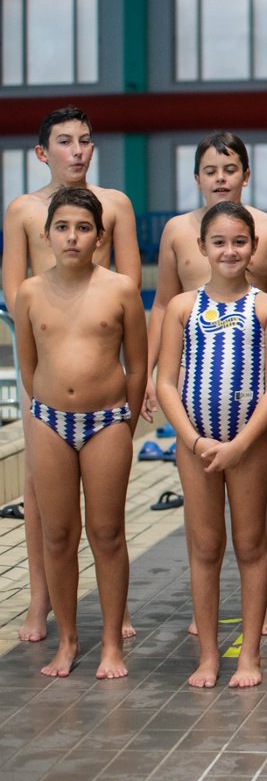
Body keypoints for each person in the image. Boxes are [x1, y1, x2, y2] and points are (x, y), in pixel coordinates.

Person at [144, 130, 267, 638]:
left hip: (254, 395)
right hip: (195, 400)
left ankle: (260, 610)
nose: (221, 178)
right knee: (204, 537)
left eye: (229, 170)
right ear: (197, 178)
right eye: (210, 170)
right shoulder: (176, 234)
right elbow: (163, 304)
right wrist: (149, 376)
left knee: (253, 522)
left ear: (245, 175)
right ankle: (206, 626)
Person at [2, 107, 141, 643]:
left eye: (85, 140)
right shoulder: (22, 210)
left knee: (105, 519)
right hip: (43, 348)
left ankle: (112, 613)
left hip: (100, 346)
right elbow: (17, 293)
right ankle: (42, 602)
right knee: (42, 497)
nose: (78, 151)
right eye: (65, 142)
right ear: (43, 152)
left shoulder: (115, 205)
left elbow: (126, 282)